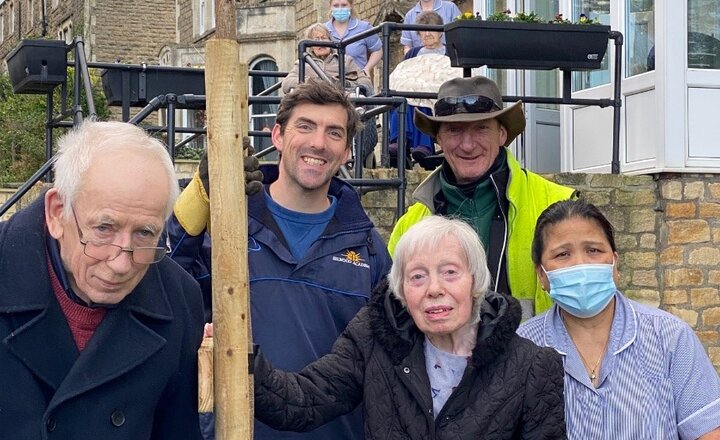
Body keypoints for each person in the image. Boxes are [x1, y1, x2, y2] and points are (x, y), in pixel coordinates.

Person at [168, 79, 392, 440]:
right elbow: (164, 289)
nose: (318, 143)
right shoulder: (228, 225)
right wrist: (199, 200)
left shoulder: (367, 247)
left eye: (334, 133)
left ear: (348, 151)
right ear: (277, 136)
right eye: (305, 126)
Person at [253, 215, 566, 438]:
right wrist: (244, 361)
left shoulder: (532, 366)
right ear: (401, 291)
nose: (434, 288)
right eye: (417, 276)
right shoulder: (375, 338)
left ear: (475, 280)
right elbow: (304, 401)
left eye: (450, 272)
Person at [0, 121, 204, 439]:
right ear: (57, 213)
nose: (122, 263)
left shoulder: (179, 299)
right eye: (103, 229)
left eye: (144, 233)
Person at [518, 199, 720, 439]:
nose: (580, 264)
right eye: (563, 254)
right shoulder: (521, 348)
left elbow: (707, 432)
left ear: (615, 264)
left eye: (593, 250)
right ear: (541, 275)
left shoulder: (670, 337)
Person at [388, 76, 576, 319]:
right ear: (438, 139)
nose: (467, 145)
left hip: (533, 355)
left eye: (481, 128)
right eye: (454, 130)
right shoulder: (409, 225)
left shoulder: (559, 206)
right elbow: (392, 313)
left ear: (501, 135)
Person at [389, 10, 447, 168]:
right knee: (402, 99)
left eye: (432, 29)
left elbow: (452, 75)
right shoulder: (413, 54)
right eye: (423, 31)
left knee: (425, 99)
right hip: (411, 93)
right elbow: (402, 74)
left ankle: (425, 147)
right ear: (418, 34)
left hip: (435, 94)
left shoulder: (448, 53)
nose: (427, 34)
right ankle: (398, 142)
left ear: (440, 32)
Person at [282, 23, 373, 95]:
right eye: (316, 39)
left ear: (330, 40)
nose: (321, 43)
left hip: (342, 101)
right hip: (313, 101)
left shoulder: (346, 60)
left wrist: (346, 84)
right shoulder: (302, 63)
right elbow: (286, 83)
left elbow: (365, 81)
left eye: (324, 38)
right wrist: (313, 82)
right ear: (310, 45)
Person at [324, 0, 383, 76]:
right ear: (330, 7)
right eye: (336, 6)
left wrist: (367, 68)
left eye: (344, 5)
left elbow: (377, 50)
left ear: (351, 5)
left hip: (358, 79)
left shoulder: (364, 27)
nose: (340, 9)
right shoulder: (323, 30)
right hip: (330, 81)